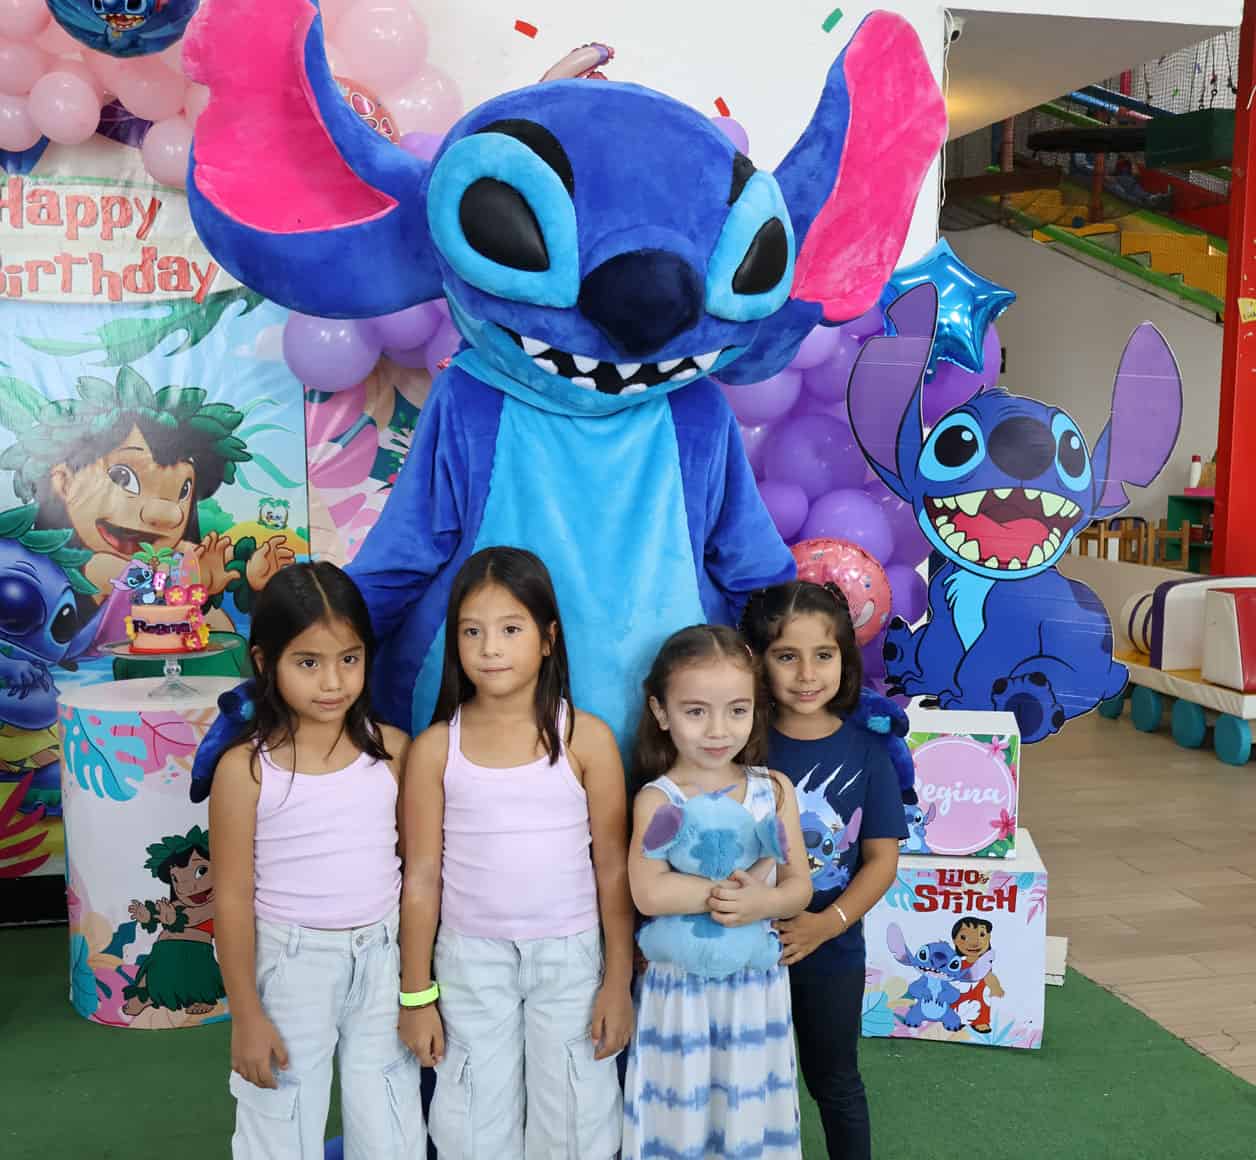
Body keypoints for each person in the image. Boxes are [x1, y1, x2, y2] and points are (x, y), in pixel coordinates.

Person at [399, 546, 634, 1159]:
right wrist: (416, 994)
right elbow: (420, 879)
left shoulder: (587, 739)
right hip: (469, 962)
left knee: (578, 1120)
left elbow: (613, 871)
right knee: (471, 1123)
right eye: (471, 631)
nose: (490, 648)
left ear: (548, 638)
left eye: (510, 629)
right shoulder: (435, 750)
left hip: (571, 959)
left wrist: (617, 982)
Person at [209, 562, 422, 1158]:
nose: (333, 682)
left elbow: (414, 872)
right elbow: (231, 898)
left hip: (382, 960)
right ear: (264, 661)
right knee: (280, 1123)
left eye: (349, 659)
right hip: (290, 965)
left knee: (390, 1122)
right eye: (308, 663)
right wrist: (246, 1016)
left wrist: (416, 988)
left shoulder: (393, 753)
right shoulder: (246, 771)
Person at [624, 624, 812, 1160]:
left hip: (754, 989)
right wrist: (727, 896)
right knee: (679, 1115)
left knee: (747, 1111)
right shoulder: (658, 799)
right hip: (678, 992)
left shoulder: (773, 789)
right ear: (661, 712)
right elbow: (648, 893)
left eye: (736, 710)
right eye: (695, 711)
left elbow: (799, 886)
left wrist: (764, 903)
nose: (717, 730)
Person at [742, 581, 908, 1160]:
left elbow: (881, 860)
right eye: (786, 656)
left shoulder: (868, 752)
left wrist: (826, 924)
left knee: (835, 1082)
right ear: (759, 662)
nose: (807, 674)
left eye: (823, 654)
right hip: (746, 946)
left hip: (830, 950)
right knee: (748, 1082)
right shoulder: (740, 746)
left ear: (845, 659)